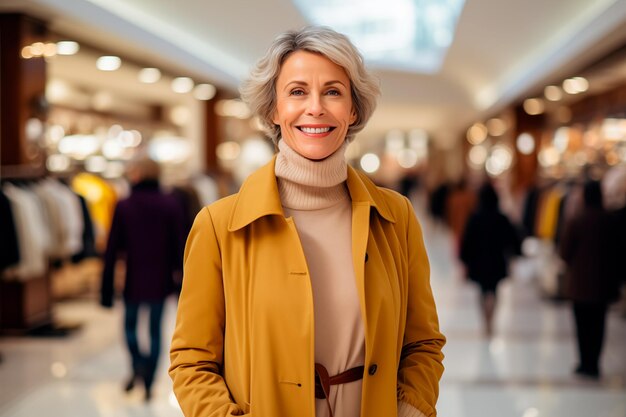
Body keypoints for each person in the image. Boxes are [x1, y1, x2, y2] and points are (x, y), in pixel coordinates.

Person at [169, 26, 445, 417]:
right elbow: (192, 360)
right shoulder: (220, 225)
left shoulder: (395, 216)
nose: (315, 107)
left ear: (353, 110)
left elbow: (423, 343)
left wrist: (411, 408)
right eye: (297, 92)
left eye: (333, 91)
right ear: (273, 109)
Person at [101, 156, 185, 400]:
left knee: (129, 327)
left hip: (134, 277)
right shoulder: (170, 203)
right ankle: (148, 379)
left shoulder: (125, 205)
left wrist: (106, 287)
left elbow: (112, 248)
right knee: (156, 330)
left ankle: (138, 364)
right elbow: (181, 244)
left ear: (137, 174)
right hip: (161, 278)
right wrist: (184, 281)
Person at [559, 180, 621, 379]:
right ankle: (594, 362)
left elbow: (565, 253)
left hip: (579, 283)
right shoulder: (611, 220)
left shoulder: (576, 220)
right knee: (599, 323)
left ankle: (585, 361)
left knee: (582, 323)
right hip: (603, 281)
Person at [459, 182, 521, 336]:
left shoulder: (474, 217)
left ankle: (485, 321)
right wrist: (515, 254)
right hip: (497, 261)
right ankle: (492, 319)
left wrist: (465, 260)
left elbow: (467, 240)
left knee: (481, 290)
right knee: (494, 290)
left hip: (479, 261)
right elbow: (513, 238)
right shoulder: (502, 217)